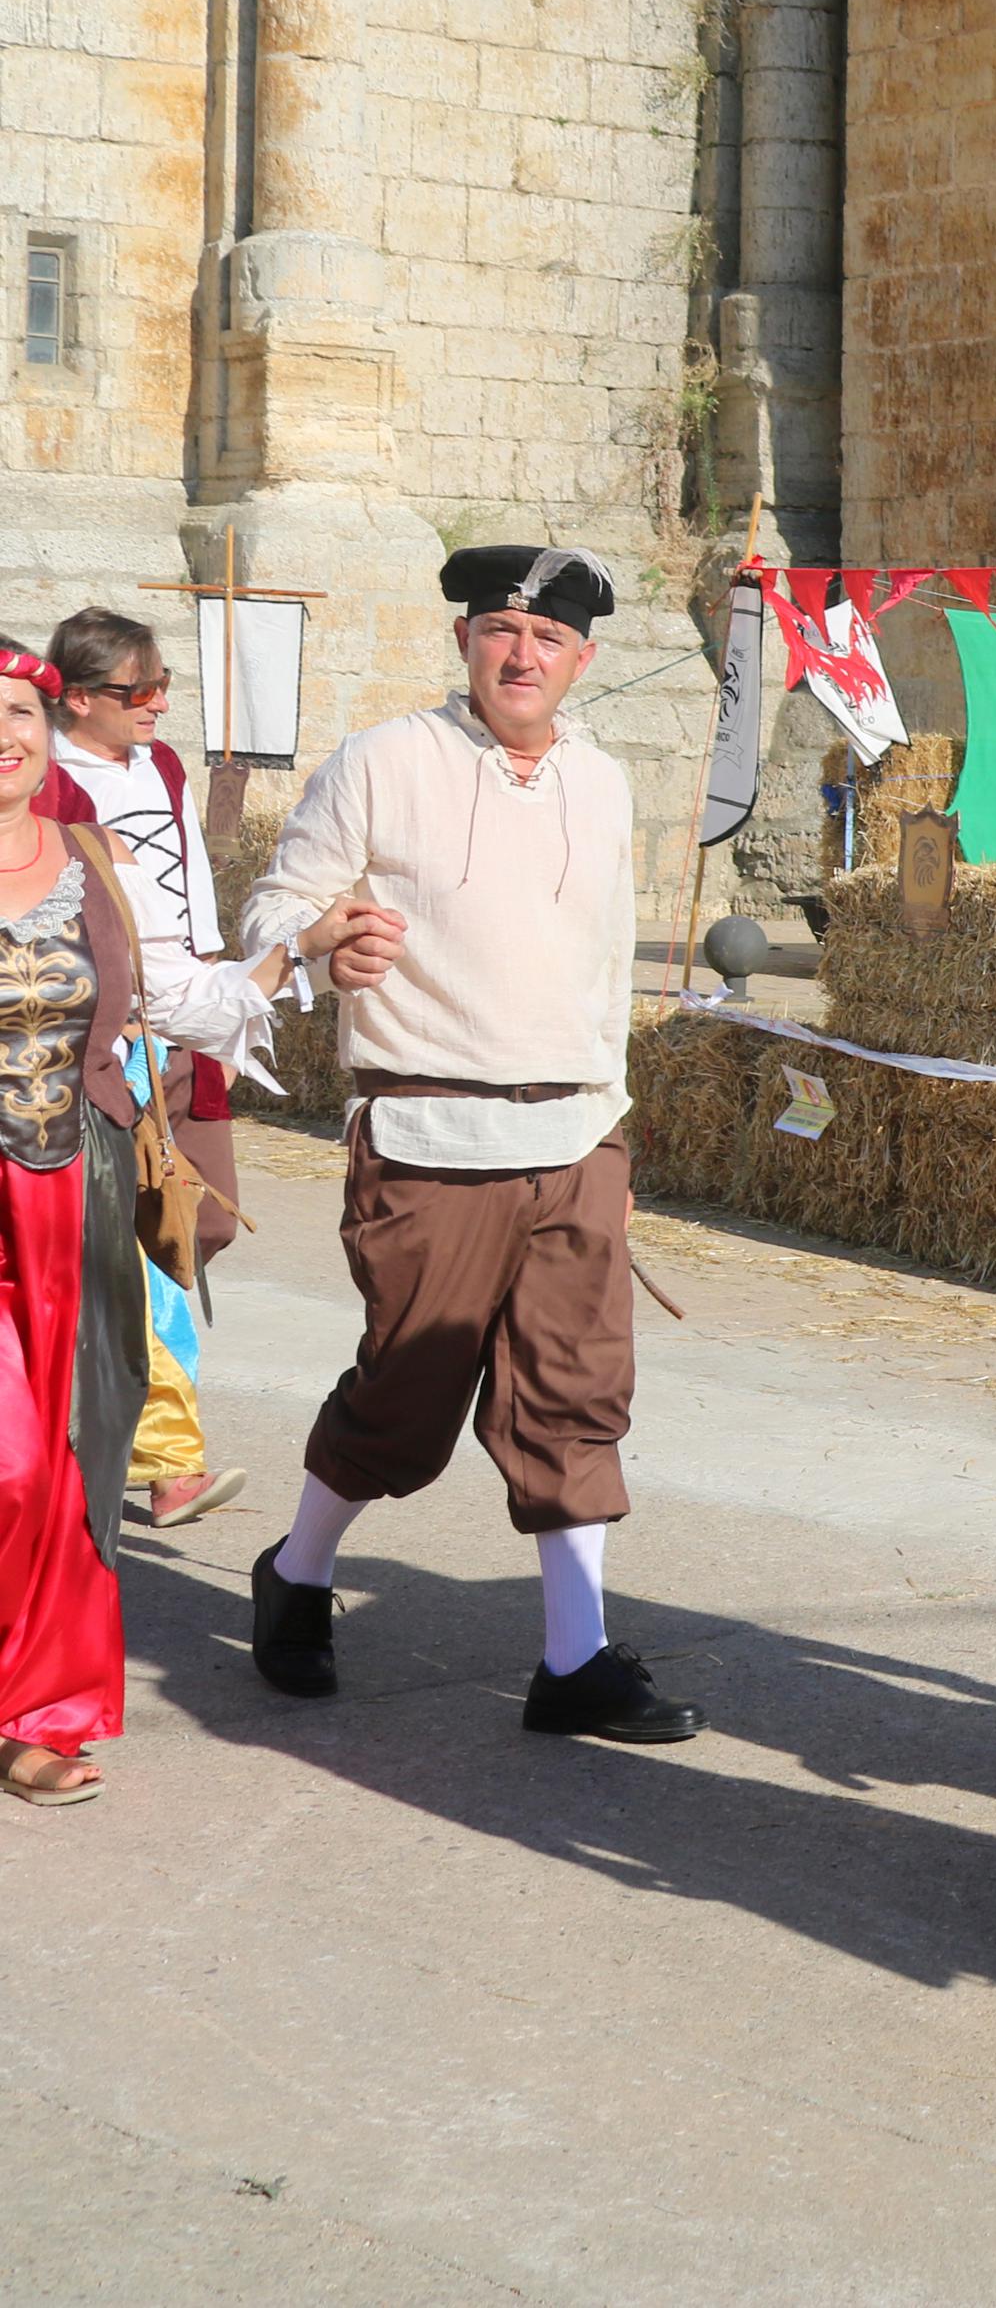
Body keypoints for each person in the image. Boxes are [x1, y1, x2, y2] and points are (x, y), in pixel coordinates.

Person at [238, 546, 704, 1744]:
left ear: (581, 661)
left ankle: (573, 1659)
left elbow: (609, 972)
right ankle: (295, 1572)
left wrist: (616, 1131)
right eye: (500, 628)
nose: (521, 653)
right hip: (429, 1129)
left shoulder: (602, 784)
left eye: (547, 639)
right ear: (464, 643)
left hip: (575, 1134)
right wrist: (323, 937)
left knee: (576, 1394)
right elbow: (275, 904)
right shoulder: (387, 761)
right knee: (408, 1395)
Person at [0, 640, 352, 1807]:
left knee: (69, 1463)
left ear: (49, 731)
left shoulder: (92, 857)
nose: (6, 734)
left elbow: (167, 995)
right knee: (7, 1464)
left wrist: (290, 958)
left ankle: (41, 1712)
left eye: (21, 713)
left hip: (74, 1196)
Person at [46, 606, 246, 1530]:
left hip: (171, 1019)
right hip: (90, 1045)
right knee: (121, 1237)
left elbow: (190, 885)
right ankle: (165, 1457)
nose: (159, 705)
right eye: (139, 691)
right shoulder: (42, 780)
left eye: (164, 686)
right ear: (77, 698)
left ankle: (135, 1443)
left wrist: (216, 1014)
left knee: (180, 1225)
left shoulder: (158, 764)